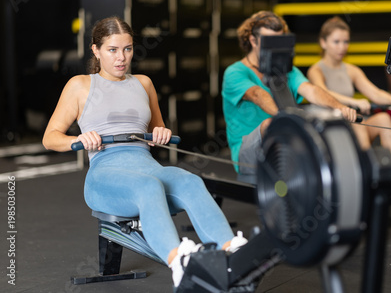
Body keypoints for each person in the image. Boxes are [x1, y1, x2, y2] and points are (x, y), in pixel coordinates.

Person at [42, 16, 246, 287]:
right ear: (96, 50)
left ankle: (232, 251)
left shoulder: (143, 83)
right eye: (112, 50)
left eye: (127, 49)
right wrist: (79, 139)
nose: (121, 58)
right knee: (149, 186)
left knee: (190, 180)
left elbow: (158, 129)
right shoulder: (80, 85)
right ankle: (179, 262)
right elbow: (50, 138)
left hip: (146, 165)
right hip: (105, 175)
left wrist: (160, 132)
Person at [222, 11, 357, 181]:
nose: (274, 47)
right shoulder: (235, 72)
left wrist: (340, 107)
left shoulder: (287, 71)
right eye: (269, 42)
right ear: (253, 41)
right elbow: (258, 95)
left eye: (279, 41)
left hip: (283, 145)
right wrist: (286, 118)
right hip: (247, 155)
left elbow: (311, 90)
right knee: (269, 124)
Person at [307, 16, 391, 160]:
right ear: (323, 42)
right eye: (336, 42)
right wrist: (354, 102)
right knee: (358, 122)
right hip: (328, 127)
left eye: (345, 42)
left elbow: (375, 93)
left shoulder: (352, 70)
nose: (342, 47)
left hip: (350, 122)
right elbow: (323, 92)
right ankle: (368, 172)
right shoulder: (315, 70)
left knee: (383, 119)